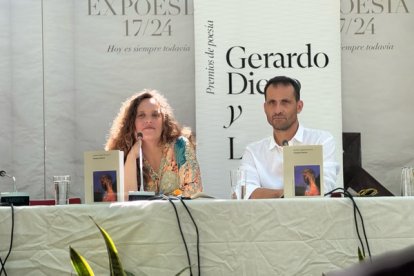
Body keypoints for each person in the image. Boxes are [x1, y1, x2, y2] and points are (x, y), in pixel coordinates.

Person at [240, 76, 339, 199]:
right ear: (265, 108)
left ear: (299, 106)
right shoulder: (253, 151)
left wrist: (268, 194)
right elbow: (245, 193)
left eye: (285, 102)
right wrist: (282, 194)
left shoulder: (321, 141)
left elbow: (323, 187)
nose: (277, 110)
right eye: (272, 103)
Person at [105, 89, 203, 200]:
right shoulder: (124, 155)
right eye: (141, 115)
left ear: (164, 121)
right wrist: (131, 157)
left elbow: (194, 192)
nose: (148, 120)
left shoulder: (180, 146)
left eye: (155, 115)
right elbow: (128, 204)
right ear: (132, 124)